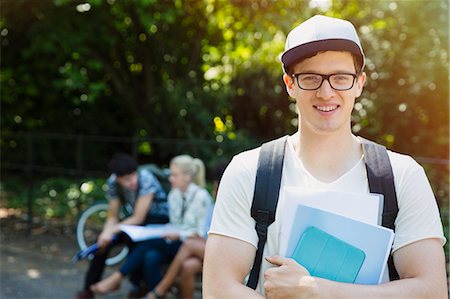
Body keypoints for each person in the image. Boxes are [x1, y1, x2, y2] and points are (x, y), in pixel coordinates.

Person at [203, 15, 447, 299]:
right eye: (310, 78)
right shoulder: (249, 171)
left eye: (341, 78)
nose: (326, 92)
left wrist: (315, 290)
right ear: (290, 84)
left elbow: (431, 291)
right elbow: (219, 289)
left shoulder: (403, 176)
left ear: (359, 83)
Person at [90, 154, 213, 296]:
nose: (170, 178)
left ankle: (123, 279)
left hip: (191, 244)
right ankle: (155, 293)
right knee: (151, 256)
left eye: (174, 175)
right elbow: (175, 224)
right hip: (175, 243)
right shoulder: (174, 195)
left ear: (188, 176)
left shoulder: (201, 197)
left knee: (150, 244)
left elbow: (202, 232)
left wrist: (178, 234)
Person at [75, 153, 169, 299]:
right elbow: (113, 215)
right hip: (134, 222)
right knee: (101, 243)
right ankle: (89, 289)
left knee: (136, 242)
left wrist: (113, 229)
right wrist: (106, 233)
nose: (131, 182)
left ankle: (135, 285)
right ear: (118, 178)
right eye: (126, 179)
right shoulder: (113, 183)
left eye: (132, 176)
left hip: (156, 220)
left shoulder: (146, 178)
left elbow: (139, 217)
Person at [146, 161, 228, 299]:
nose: (215, 190)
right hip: (207, 252)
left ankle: (160, 290)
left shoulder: (224, 207)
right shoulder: (213, 206)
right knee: (188, 266)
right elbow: (204, 233)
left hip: (223, 254)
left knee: (189, 244)